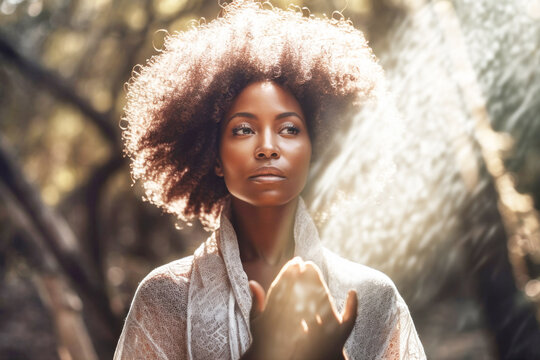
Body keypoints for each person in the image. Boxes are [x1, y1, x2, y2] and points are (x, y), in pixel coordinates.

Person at [114, 1, 426, 359]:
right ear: (214, 156)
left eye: (289, 129)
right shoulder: (165, 297)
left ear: (318, 151)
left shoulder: (373, 297)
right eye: (243, 129)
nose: (266, 147)